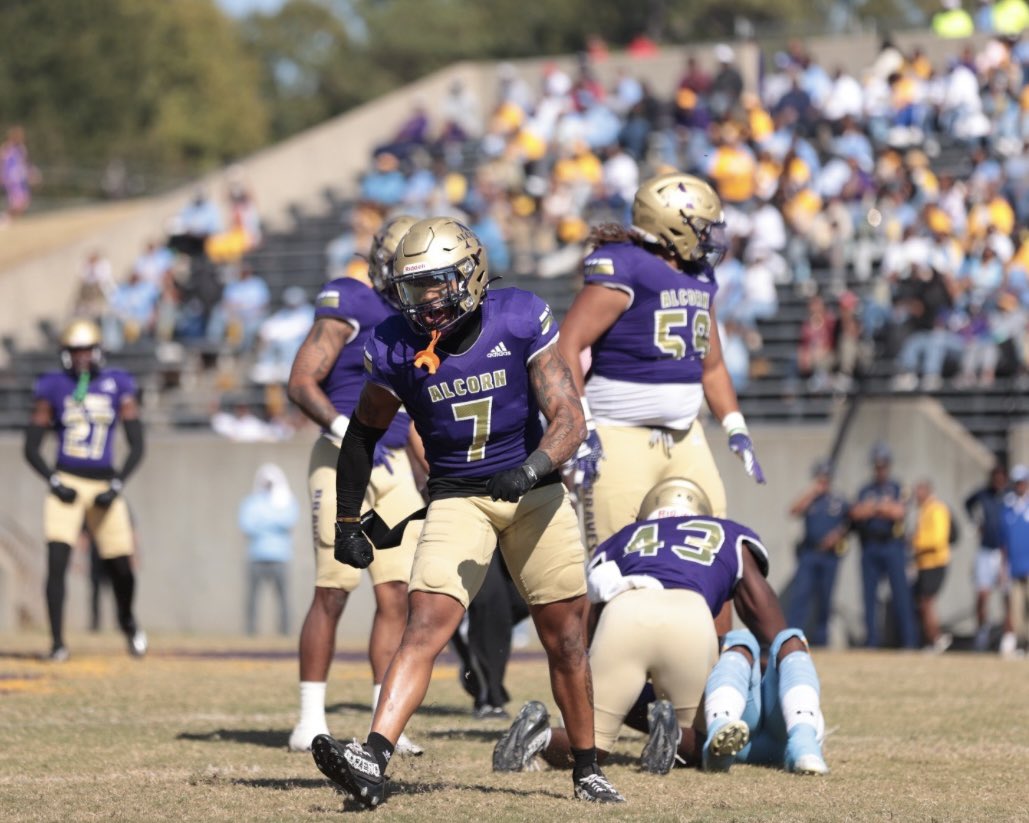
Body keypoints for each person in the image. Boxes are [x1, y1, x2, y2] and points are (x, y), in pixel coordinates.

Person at [310, 217, 624, 806]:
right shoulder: (395, 345)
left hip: (533, 491)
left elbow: (569, 418)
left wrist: (531, 468)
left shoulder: (519, 316)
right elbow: (361, 436)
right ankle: (372, 758)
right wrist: (347, 520)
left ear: (470, 274)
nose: (424, 300)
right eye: (413, 287)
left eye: (435, 284)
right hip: (458, 495)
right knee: (425, 622)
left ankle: (587, 767)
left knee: (566, 638)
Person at [491, 477, 828, 777]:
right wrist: (772, 655)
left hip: (623, 613)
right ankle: (673, 735)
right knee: (709, 740)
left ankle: (541, 735)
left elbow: (591, 621)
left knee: (591, 745)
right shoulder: (728, 533)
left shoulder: (622, 538)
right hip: (689, 616)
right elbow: (767, 619)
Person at [557, 172, 764, 550]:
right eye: (702, 227)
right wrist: (580, 426)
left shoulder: (699, 275)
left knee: (715, 553)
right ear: (671, 226)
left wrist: (736, 426)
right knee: (611, 560)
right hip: (617, 437)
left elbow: (713, 365)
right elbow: (567, 346)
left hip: (686, 435)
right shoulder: (626, 265)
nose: (711, 237)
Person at [285, 214, 425, 755]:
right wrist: (344, 429)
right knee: (332, 593)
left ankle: (383, 720)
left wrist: (429, 473)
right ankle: (309, 718)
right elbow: (301, 380)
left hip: (391, 464)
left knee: (397, 598)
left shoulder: (413, 320)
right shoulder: (349, 298)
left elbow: (411, 414)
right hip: (343, 458)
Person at [23, 319, 147, 661]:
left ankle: (127, 619)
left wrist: (118, 482)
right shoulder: (52, 386)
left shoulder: (119, 384)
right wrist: (53, 481)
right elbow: (31, 447)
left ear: (98, 351)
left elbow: (137, 444)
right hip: (67, 479)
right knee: (57, 561)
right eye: (75, 350)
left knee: (122, 567)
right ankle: (58, 642)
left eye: (87, 350)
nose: (81, 357)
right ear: (65, 353)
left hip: (105, 481)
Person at [850, 443, 917, 649]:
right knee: (869, 597)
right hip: (870, 545)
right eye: (877, 466)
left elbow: (899, 512)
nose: (880, 469)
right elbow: (855, 513)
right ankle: (872, 641)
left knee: (901, 595)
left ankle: (909, 641)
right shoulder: (865, 489)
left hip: (892, 546)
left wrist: (875, 507)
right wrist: (882, 507)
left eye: (884, 465)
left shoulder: (897, 486)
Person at [785, 459, 850, 647]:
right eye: (820, 478)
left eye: (826, 478)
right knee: (800, 596)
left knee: (825, 599)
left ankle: (822, 640)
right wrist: (812, 493)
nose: (823, 482)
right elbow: (793, 511)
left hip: (829, 556)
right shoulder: (810, 499)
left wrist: (838, 535)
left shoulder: (838, 501)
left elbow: (850, 522)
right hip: (809, 554)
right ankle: (792, 639)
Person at [239, 464, 298, 636]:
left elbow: (288, 521)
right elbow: (247, 525)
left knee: (283, 598)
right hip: (256, 556)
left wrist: (262, 521)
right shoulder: (251, 502)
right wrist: (274, 522)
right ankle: (250, 631)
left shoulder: (287, 501)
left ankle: (285, 632)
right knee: (252, 598)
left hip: (280, 557)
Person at [965, 463, 1012, 651]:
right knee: (982, 594)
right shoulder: (984, 494)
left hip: (1005, 552)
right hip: (986, 549)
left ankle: (1009, 637)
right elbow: (968, 503)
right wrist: (976, 523)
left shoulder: (1009, 497)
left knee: (1007, 596)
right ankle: (982, 632)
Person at [910, 480, 953, 653]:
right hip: (924, 563)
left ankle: (937, 638)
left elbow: (938, 539)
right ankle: (932, 639)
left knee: (927, 602)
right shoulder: (924, 510)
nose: (916, 496)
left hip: (935, 562)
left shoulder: (937, 509)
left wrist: (916, 542)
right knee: (924, 602)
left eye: (919, 491)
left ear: (927, 491)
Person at [1001, 464, 1029, 658]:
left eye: (1023, 482)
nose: (1020, 486)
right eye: (1017, 482)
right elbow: (1004, 542)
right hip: (1014, 566)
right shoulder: (1008, 507)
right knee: (1016, 610)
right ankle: (1022, 643)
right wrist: (1003, 567)